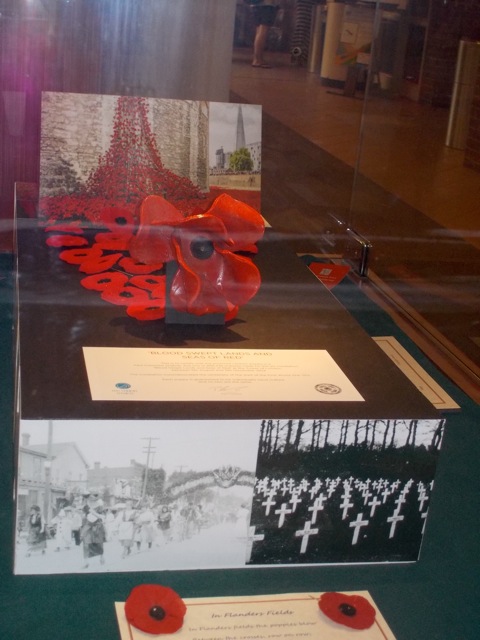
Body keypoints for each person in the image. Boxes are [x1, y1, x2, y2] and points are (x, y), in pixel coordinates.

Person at [251, 1, 279, 68]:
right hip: (267, 6)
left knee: (258, 32)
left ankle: (256, 59)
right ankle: (258, 60)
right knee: (263, 32)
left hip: (255, 6)